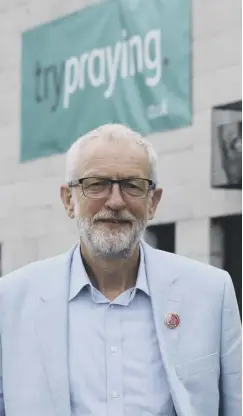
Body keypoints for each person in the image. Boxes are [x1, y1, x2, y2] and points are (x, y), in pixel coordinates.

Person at [0, 124, 241, 416]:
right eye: (96, 184)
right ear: (68, 200)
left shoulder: (210, 293)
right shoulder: (10, 302)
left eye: (132, 185)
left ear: (153, 202)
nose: (115, 201)